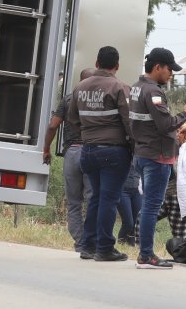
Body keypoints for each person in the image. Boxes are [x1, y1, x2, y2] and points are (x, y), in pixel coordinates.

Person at [129, 47, 186, 269]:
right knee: (151, 207)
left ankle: (145, 253)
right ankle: (146, 256)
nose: (172, 74)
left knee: (148, 206)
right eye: (169, 69)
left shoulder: (136, 88)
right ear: (158, 67)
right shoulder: (154, 92)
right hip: (157, 157)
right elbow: (165, 125)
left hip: (141, 153)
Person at [66, 46, 134, 262]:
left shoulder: (80, 87)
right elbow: (129, 123)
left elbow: (73, 121)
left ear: (96, 63)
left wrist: (89, 135)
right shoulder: (120, 87)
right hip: (113, 151)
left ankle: (87, 245)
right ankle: (104, 248)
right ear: (117, 66)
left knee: (96, 198)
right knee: (109, 199)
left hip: (88, 150)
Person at [43, 68, 97, 249]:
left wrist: (46, 149)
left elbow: (52, 126)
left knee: (74, 202)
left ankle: (80, 242)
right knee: (92, 200)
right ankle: (91, 241)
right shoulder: (100, 100)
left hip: (72, 153)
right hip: (92, 152)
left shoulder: (67, 99)